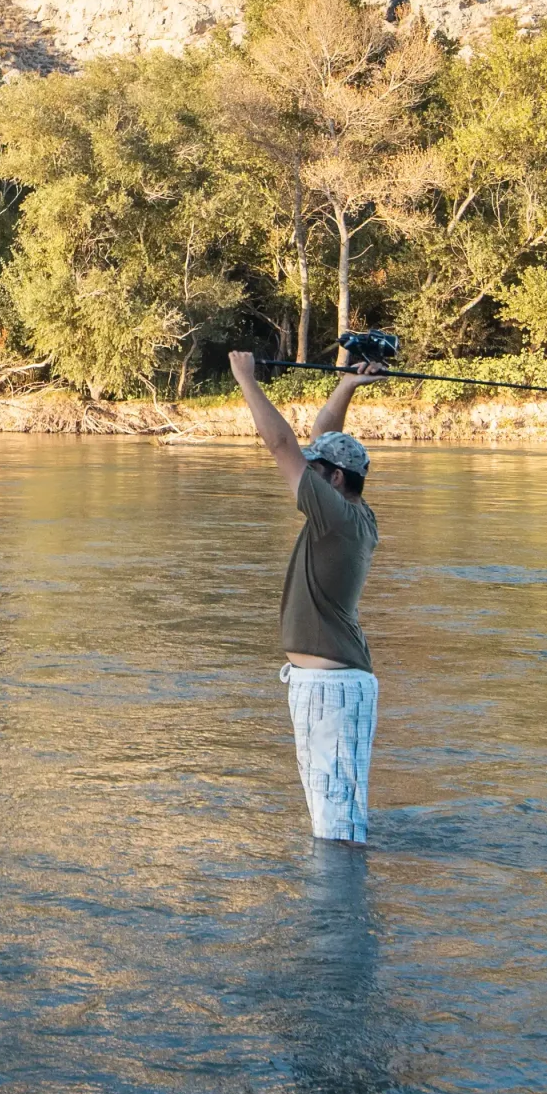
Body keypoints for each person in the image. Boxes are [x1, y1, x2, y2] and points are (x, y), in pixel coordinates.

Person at [228, 347, 385, 846]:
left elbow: (281, 444)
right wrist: (346, 386)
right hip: (326, 685)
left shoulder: (337, 519)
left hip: (332, 689)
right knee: (332, 819)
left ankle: (340, 918)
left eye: (315, 470)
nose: (304, 472)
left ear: (335, 480)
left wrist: (245, 379)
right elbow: (320, 440)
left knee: (337, 829)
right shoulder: (348, 512)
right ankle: (335, 912)